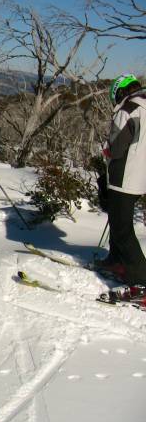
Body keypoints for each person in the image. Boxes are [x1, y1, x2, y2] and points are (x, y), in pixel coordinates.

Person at [96, 73, 146, 289]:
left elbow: (115, 148)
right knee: (118, 222)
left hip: (125, 176)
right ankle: (116, 260)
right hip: (141, 175)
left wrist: (106, 151)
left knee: (122, 228)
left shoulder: (127, 110)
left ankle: (141, 280)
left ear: (120, 92)